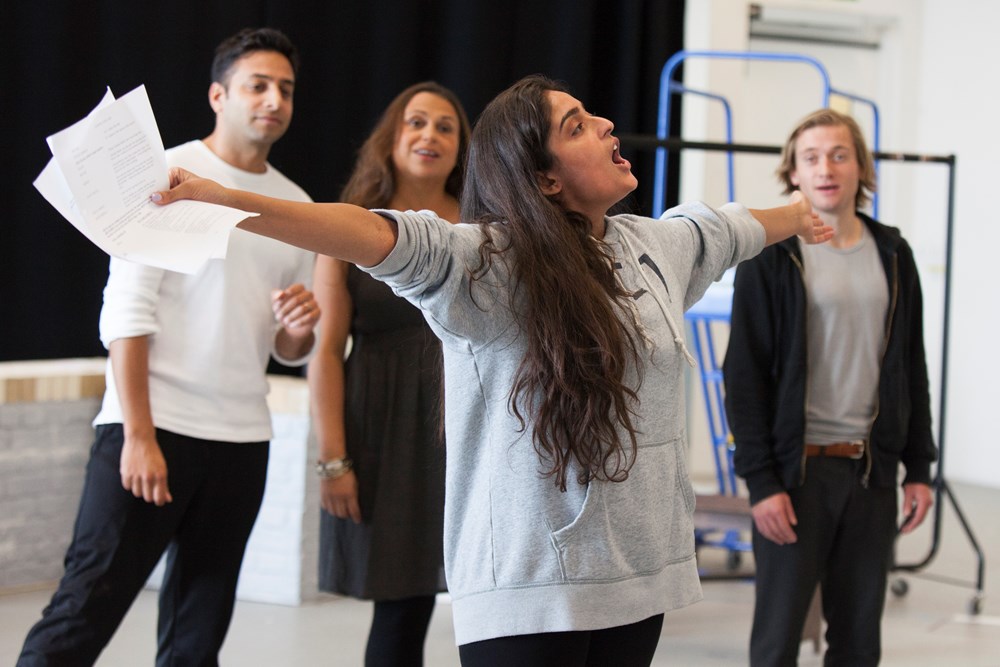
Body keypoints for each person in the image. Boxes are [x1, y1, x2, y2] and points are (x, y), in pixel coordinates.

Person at [152, 74, 831, 666]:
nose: (605, 124)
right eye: (577, 126)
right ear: (546, 178)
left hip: (639, 576)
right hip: (530, 587)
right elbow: (375, 234)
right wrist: (228, 201)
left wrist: (801, 212)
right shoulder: (490, 265)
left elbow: (728, 226)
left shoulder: (654, 247)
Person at [18, 28, 319, 666]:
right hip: (152, 427)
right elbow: (126, 311)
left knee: (197, 636)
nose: (274, 100)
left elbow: (287, 347)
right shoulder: (169, 173)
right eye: (257, 85)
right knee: (81, 615)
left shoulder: (295, 204)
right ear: (218, 95)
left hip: (242, 439)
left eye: (286, 89)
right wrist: (137, 433)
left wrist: (299, 327)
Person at [723, 108, 937, 666]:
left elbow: (910, 366)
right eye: (812, 157)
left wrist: (919, 468)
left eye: (840, 155)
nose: (826, 168)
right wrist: (761, 482)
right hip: (797, 476)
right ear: (793, 171)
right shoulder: (771, 255)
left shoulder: (894, 253)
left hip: (871, 474)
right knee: (777, 644)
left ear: (860, 167)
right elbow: (743, 377)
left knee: (859, 645)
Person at [309, 81, 471, 666]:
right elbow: (326, 351)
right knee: (401, 605)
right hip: (384, 428)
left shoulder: (483, 224)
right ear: (392, 138)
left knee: (482, 596)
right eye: (416, 122)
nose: (430, 135)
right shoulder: (348, 225)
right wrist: (334, 460)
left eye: (446, 127)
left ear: (461, 148)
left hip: (467, 423)